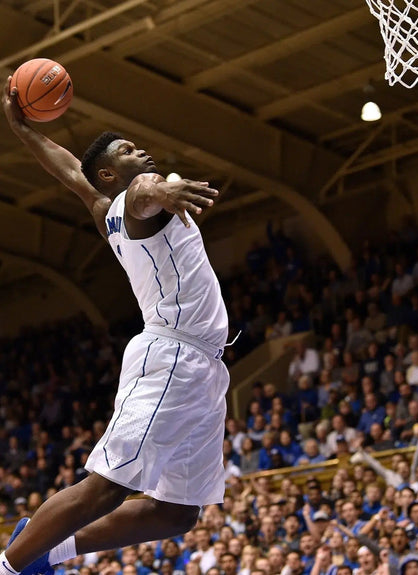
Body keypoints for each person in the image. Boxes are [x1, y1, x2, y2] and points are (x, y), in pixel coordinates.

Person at [1, 79, 231, 575]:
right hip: (173, 356)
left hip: (204, 366)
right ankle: (7, 567)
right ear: (110, 174)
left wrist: (22, 129)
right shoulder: (136, 203)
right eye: (127, 151)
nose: (140, 151)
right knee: (108, 487)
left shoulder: (105, 208)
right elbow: (144, 192)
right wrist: (163, 189)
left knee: (177, 513)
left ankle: (47, 550)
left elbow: (70, 170)